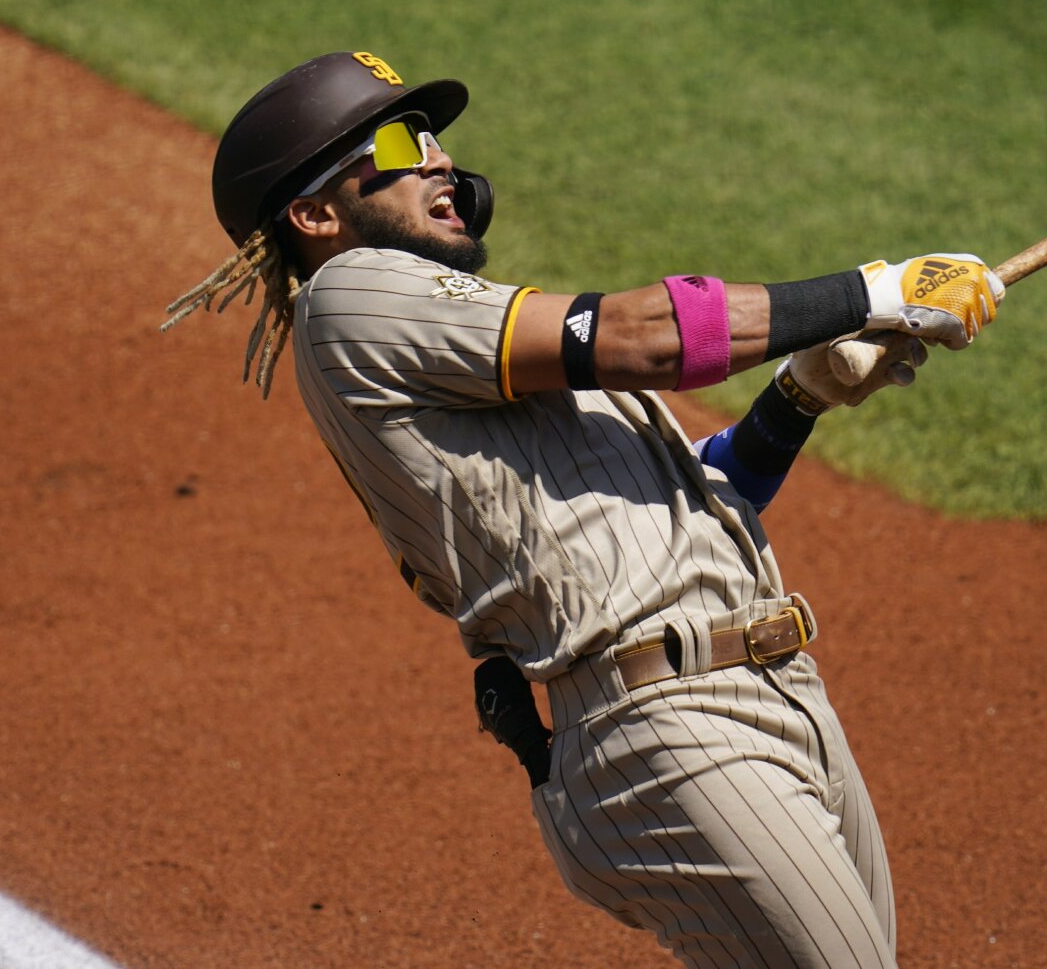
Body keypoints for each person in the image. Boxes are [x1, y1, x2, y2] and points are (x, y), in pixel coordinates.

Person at [164, 50, 1003, 967]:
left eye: (438, 138)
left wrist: (798, 397)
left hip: (766, 699)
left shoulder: (481, 349)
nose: (440, 159)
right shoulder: (350, 297)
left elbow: (707, 496)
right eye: (403, 142)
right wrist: (872, 293)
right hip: (666, 731)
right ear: (316, 213)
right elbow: (647, 337)